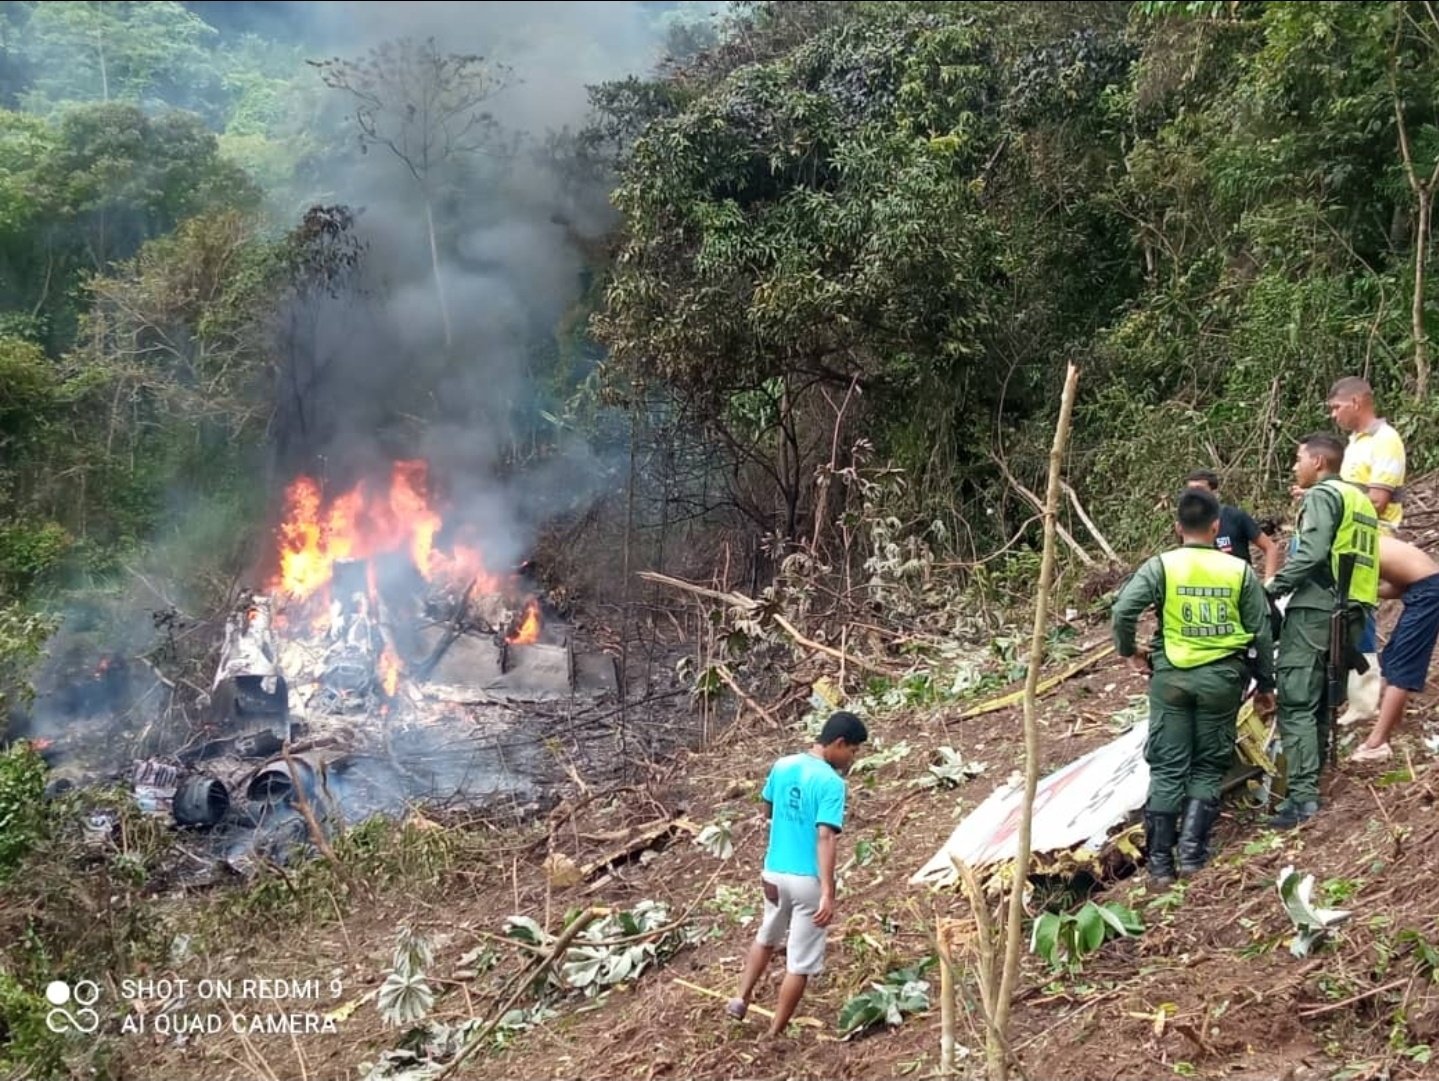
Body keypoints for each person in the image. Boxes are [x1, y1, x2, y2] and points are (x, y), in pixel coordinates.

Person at [1112, 487, 1276, 885]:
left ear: (1177, 528)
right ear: (1216, 526)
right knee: (1207, 764)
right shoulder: (1237, 571)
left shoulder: (1162, 567)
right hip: (1222, 679)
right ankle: (1192, 854)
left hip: (1172, 679)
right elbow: (1261, 631)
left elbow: (1122, 610)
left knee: (1168, 768)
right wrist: (1266, 683)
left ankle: (1160, 866)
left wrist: (1130, 651)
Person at [727, 711, 868, 1035]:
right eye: (853, 751)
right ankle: (774, 1032)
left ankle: (740, 999)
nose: (851, 759)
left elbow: (768, 810)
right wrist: (828, 893)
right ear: (839, 743)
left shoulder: (783, 765)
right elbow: (825, 836)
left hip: (774, 874)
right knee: (799, 963)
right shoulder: (832, 783)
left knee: (766, 937)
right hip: (807, 882)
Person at [1264, 433, 1379, 828]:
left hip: (1318, 607)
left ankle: (1302, 798)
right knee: (1321, 698)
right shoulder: (1359, 499)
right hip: (1354, 609)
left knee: (1297, 699)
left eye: (1298, 458)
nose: (1294, 466)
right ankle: (1312, 785)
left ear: (1317, 462)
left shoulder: (1321, 496)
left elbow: (1312, 555)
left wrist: (1273, 588)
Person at [1328, 376, 1407, 727]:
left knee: (1361, 611)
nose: (1334, 415)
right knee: (1345, 612)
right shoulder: (1355, 442)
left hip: (1370, 537)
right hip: (1349, 537)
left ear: (1356, 402)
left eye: (1336, 407)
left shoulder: (1385, 440)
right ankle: (1350, 693)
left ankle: (1365, 699)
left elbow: (1376, 500)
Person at [1351, 535, 1439, 762]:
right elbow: (1396, 587)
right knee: (1391, 658)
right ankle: (1393, 729)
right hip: (1421, 589)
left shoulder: (1352, 546)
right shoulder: (1365, 539)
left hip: (1429, 591)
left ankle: (1377, 743)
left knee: (1403, 665)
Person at [1185, 470, 1280, 579]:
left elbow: (1270, 548)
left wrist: (1268, 586)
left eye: (1200, 490)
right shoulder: (1187, 522)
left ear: (1215, 492)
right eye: (1190, 491)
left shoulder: (1234, 516)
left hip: (1239, 586)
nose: (1195, 495)